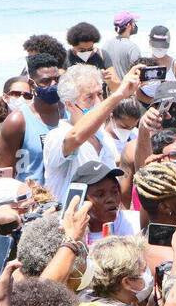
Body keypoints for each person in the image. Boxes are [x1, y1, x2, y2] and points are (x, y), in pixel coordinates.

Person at [42, 63, 139, 203]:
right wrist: (118, 95)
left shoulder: (103, 136)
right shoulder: (58, 135)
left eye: (100, 94)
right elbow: (76, 137)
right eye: (89, 97)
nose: (98, 102)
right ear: (69, 104)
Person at [0, 51, 64, 184]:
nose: (53, 85)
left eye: (57, 80)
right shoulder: (18, 121)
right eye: (46, 81)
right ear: (32, 85)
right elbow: (4, 174)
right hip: (32, 201)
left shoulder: (69, 113)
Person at [104, 11, 142, 82]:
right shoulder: (132, 48)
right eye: (134, 22)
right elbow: (138, 73)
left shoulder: (106, 44)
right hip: (126, 90)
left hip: (110, 91)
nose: (135, 25)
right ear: (128, 26)